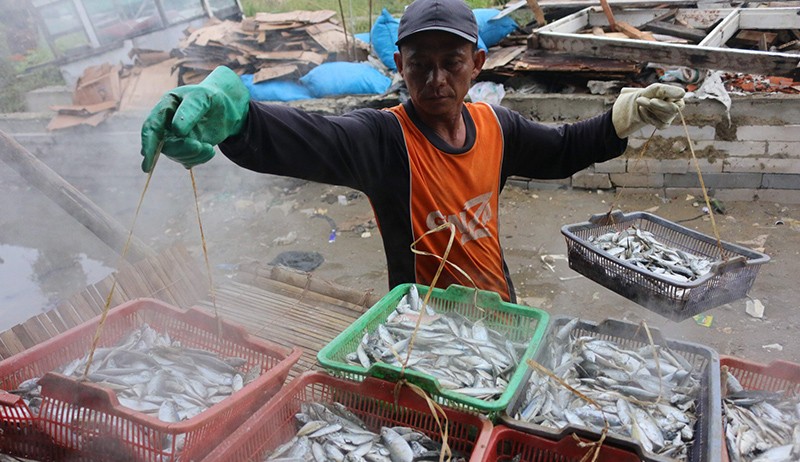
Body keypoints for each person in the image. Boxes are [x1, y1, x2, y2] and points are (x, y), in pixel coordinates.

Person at [140, 0, 685, 303]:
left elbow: (563, 150)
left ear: (479, 63)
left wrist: (623, 115)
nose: (436, 78)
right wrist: (236, 115)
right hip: (423, 324)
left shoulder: (498, 127)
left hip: (500, 304)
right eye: (419, 62)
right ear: (399, 66)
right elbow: (303, 140)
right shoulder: (382, 139)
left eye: (451, 60)